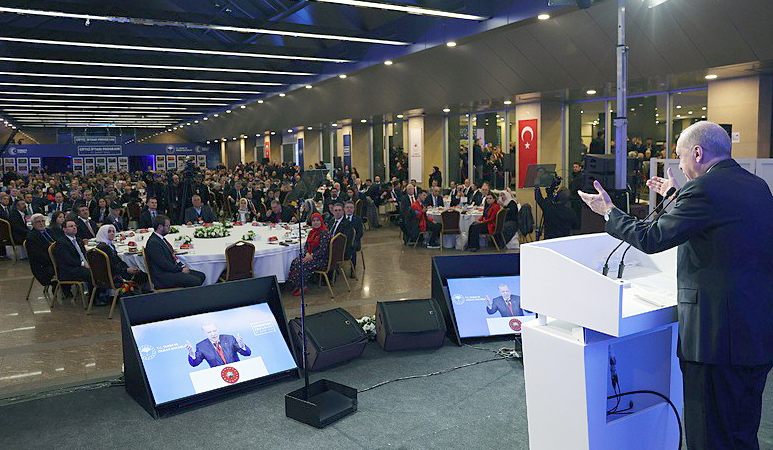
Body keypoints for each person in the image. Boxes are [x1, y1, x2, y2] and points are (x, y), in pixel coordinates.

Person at [578, 121, 773, 450]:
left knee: (708, 437)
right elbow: (720, 225)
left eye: (680, 156)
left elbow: (651, 237)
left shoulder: (704, 190)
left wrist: (609, 212)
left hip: (715, 343)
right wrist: (675, 194)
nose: (679, 165)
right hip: (755, 337)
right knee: (741, 433)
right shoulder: (757, 186)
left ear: (697, 152)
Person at [144, 215, 206, 289]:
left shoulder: (159, 239)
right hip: (162, 276)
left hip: (169, 271)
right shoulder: (153, 243)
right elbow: (163, 264)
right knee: (196, 281)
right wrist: (180, 270)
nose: (169, 228)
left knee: (201, 276)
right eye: (167, 226)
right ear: (160, 227)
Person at [94, 224, 148, 295]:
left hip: (116, 272)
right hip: (113, 276)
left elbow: (118, 261)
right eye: (109, 231)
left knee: (141, 273)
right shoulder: (104, 248)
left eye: (113, 231)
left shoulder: (110, 245)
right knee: (144, 275)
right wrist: (126, 270)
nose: (112, 233)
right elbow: (111, 266)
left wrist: (128, 268)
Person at [287, 212, 331, 296]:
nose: (315, 222)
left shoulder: (325, 233)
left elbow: (323, 250)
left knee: (301, 264)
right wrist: (307, 253)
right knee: (294, 262)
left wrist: (312, 255)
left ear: (321, 221)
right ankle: (296, 285)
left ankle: (302, 287)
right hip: (310, 255)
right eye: (313, 220)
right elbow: (306, 246)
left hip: (321, 259)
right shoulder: (312, 232)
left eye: (318, 220)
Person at [52, 218, 92, 295]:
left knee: (99, 268)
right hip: (69, 270)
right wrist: (83, 264)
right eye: (70, 226)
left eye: (74, 226)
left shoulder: (78, 240)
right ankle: (93, 296)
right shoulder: (61, 243)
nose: (74, 228)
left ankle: (100, 293)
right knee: (92, 273)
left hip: (79, 266)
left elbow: (84, 254)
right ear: (64, 229)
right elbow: (68, 260)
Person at [186, 322, 251, 368]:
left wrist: (242, 346)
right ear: (204, 333)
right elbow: (194, 363)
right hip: (219, 377)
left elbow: (247, 353)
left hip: (237, 372)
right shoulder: (201, 346)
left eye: (214, 331)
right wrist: (192, 354)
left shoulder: (229, 338)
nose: (213, 334)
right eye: (209, 332)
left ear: (218, 330)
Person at [25, 214, 56, 290]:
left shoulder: (49, 231)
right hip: (43, 267)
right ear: (33, 224)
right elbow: (39, 257)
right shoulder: (31, 238)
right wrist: (57, 260)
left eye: (43, 221)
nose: (41, 223)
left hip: (54, 260)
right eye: (38, 222)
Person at [343, 201, 363, 277]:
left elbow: (360, 233)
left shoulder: (357, 219)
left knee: (353, 248)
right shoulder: (341, 219)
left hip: (354, 241)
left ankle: (353, 269)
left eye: (351, 208)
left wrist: (353, 240)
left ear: (354, 209)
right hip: (343, 241)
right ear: (344, 209)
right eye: (347, 207)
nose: (349, 209)